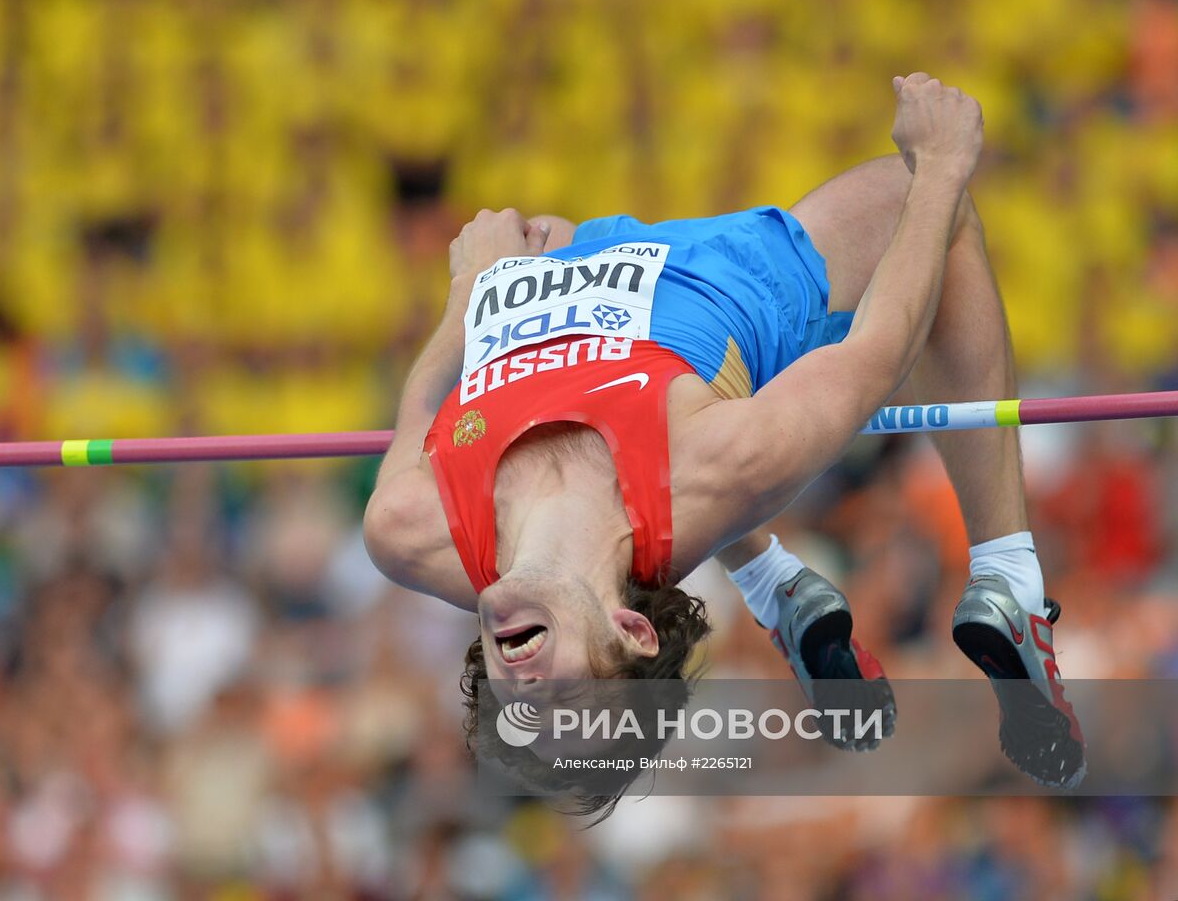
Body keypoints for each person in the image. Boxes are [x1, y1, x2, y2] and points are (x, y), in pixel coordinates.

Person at [364, 73, 1084, 792]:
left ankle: (772, 580)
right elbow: (881, 347)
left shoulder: (408, 528)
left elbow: (422, 402)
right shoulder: (719, 461)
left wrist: (471, 293)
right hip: (727, 285)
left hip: (571, 276)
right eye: (566, 702)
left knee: (540, 228)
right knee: (922, 208)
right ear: (632, 633)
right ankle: (1007, 579)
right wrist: (943, 166)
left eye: (518, 711)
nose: (525, 687)